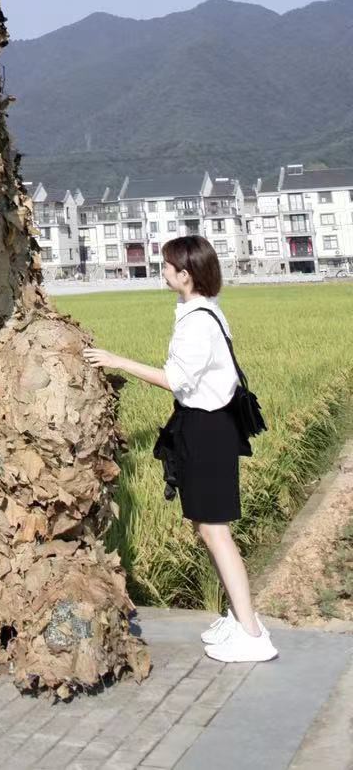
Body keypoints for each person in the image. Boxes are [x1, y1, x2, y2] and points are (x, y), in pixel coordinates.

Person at [82, 234, 277, 663]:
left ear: (185, 275)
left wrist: (118, 361)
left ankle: (252, 631)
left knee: (215, 530)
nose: (162, 272)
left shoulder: (198, 321)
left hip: (207, 429)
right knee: (204, 526)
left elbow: (176, 379)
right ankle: (237, 617)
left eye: (167, 266)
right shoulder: (201, 310)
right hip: (205, 425)